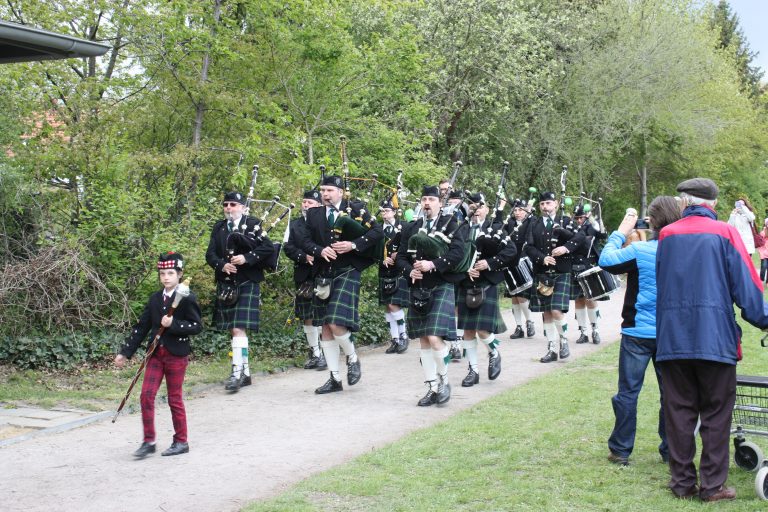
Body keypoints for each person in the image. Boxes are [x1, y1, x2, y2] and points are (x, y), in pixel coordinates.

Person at [656, 178, 768, 501]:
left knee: (678, 412)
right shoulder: (725, 233)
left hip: (673, 340)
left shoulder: (667, 235)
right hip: (714, 338)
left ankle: (681, 483)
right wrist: (763, 318)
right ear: (714, 204)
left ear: (685, 203)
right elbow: (747, 288)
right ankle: (712, 485)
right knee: (717, 413)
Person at [598, 197, 680, 466]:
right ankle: (670, 450)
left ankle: (621, 450)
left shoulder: (640, 250)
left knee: (628, 393)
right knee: (672, 394)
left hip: (637, 332)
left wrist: (622, 231)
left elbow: (606, 260)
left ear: (653, 221)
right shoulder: (685, 250)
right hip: (671, 333)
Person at [298, 175, 383, 394]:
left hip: (347, 270)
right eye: (323, 191)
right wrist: (319, 250)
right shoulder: (314, 213)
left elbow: (377, 232)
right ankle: (335, 378)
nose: (325, 195)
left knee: (335, 322)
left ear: (340, 192)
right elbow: (305, 240)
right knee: (325, 326)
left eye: (329, 191)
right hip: (323, 272)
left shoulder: (355, 208)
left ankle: (353, 358)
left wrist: (354, 244)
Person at [115, 252, 203, 458]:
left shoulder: (187, 298)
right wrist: (125, 352)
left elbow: (196, 326)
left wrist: (174, 324)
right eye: (162, 273)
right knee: (146, 396)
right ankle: (149, 441)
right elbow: (142, 327)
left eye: (171, 273)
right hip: (155, 353)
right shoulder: (155, 299)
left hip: (176, 355)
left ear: (179, 274)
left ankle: (181, 441)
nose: (166, 277)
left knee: (174, 398)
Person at [397, 185, 469, 406]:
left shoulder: (450, 224)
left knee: (435, 337)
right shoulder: (412, 227)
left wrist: (433, 264)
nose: (427, 203)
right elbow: (400, 257)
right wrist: (410, 270)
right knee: (424, 340)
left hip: (440, 284)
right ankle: (432, 387)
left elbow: (459, 253)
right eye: (424, 199)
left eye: (431, 199)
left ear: (440, 203)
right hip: (418, 286)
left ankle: (444, 381)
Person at [205, 191, 275, 392]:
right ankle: (245, 373)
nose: (228, 208)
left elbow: (268, 248)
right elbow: (210, 254)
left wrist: (247, 258)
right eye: (226, 204)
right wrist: (222, 265)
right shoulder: (219, 227)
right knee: (234, 330)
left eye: (233, 204)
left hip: (247, 281)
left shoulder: (253, 225)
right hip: (226, 282)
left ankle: (236, 373)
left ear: (243, 208)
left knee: (237, 328)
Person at [457, 192, 516, 387]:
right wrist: (465, 270)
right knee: (467, 330)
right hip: (465, 282)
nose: (475, 210)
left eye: (479, 206)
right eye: (472, 206)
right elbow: (454, 254)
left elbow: (510, 251)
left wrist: (488, 263)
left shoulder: (496, 228)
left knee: (482, 330)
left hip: (486, 282)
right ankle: (473, 370)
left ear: (487, 209)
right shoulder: (461, 229)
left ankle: (494, 351)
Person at [524, 191, 585, 363]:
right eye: (542, 204)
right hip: (542, 272)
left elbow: (580, 237)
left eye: (548, 203)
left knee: (557, 310)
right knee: (547, 312)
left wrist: (566, 248)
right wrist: (542, 258)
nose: (545, 207)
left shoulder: (565, 221)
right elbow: (528, 247)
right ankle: (551, 347)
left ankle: (563, 341)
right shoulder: (534, 223)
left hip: (562, 271)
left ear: (556, 204)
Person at [283, 189, 327, 370]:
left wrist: (317, 256)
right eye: (304, 202)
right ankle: (315, 352)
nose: (306, 205)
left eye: (310, 202)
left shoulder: (325, 223)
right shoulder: (294, 224)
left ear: (319, 205)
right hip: (303, 274)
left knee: (323, 315)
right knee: (307, 316)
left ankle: (325, 352)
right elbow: (288, 247)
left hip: (323, 274)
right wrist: (303, 256)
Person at [570, 204, 608, 345]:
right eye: (577, 218)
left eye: (581, 217)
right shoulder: (572, 228)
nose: (579, 220)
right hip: (574, 267)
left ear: (585, 216)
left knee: (591, 299)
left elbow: (603, 235)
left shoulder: (592, 226)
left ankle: (595, 330)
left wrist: (596, 222)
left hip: (590, 266)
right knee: (578, 300)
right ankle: (583, 332)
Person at [378, 199, 410, 354]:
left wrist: (400, 255)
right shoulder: (378, 229)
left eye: (388, 211)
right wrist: (382, 258)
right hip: (384, 270)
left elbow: (411, 244)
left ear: (395, 212)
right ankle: (395, 339)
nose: (385, 214)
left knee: (393, 304)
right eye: (383, 211)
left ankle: (404, 335)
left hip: (399, 270)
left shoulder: (403, 226)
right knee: (387, 306)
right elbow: (371, 249)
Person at [501, 197, 535, 339]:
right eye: (515, 210)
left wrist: (530, 210)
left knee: (521, 296)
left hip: (524, 262)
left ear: (525, 211)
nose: (517, 212)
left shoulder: (530, 222)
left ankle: (530, 322)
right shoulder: (510, 224)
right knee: (514, 296)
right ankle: (519, 327)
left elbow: (534, 224)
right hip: (510, 262)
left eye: (520, 210)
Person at [759, 218, 768, 284]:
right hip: (764, 253)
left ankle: (767, 282)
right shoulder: (763, 232)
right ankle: (761, 279)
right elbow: (759, 241)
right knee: (764, 266)